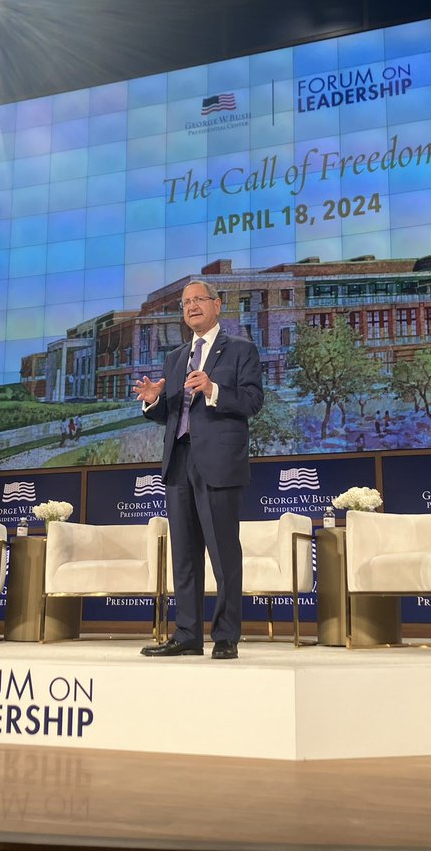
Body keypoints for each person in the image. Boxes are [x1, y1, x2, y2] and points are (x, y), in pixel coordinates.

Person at [133, 279, 263, 660]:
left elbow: (253, 401)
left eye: (198, 300)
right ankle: (187, 634)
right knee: (185, 556)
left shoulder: (241, 350)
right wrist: (154, 402)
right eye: (186, 302)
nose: (191, 307)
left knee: (223, 554)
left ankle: (226, 636)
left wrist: (213, 389)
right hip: (179, 462)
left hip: (220, 464)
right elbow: (174, 415)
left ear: (217, 305)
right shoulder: (176, 358)